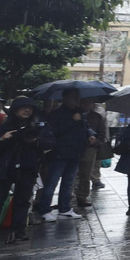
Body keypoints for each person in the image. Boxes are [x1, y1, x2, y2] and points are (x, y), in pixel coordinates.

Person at [0, 97, 48, 246]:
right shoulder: (5, 126)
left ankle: (19, 230)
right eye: (23, 107)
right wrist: (3, 139)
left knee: (22, 202)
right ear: (15, 110)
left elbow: (50, 142)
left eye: (30, 108)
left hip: (27, 168)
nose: (27, 110)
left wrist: (35, 141)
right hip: (5, 168)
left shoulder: (38, 126)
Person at [35, 88, 94, 221]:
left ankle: (65, 208)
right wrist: (72, 121)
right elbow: (54, 132)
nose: (76, 101)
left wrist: (89, 134)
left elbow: (84, 128)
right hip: (59, 153)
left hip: (75, 153)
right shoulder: (57, 114)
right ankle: (44, 209)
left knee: (68, 182)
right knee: (52, 182)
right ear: (65, 98)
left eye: (77, 98)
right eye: (73, 98)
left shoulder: (79, 113)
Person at [75, 101, 109, 208]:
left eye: (88, 102)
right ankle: (69, 195)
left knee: (86, 173)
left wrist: (96, 143)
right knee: (73, 173)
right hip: (74, 147)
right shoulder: (74, 114)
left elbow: (102, 132)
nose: (86, 104)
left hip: (90, 148)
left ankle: (82, 196)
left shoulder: (97, 116)